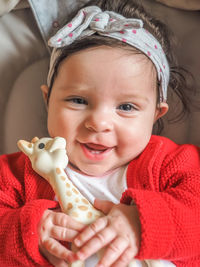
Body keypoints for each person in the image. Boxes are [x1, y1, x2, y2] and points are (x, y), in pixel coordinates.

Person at [0, 0, 200, 267]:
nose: (98, 123)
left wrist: (144, 225)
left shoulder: (173, 165)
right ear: (49, 101)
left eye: (126, 107)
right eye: (78, 101)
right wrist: (27, 233)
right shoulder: (17, 175)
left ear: (155, 115)